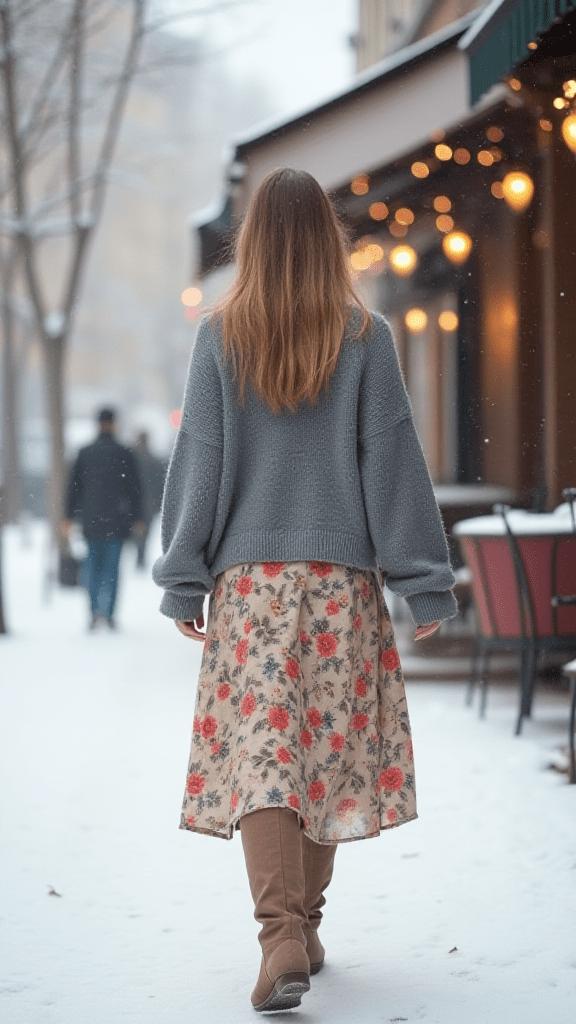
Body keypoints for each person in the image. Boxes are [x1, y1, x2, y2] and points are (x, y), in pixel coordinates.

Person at [152, 168, 457, 1013]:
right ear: (329, 240)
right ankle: (301, 926)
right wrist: (424, 580)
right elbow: (392, 463)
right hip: (339, 591)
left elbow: (200, 461)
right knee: (323, 754)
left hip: (250, 591)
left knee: (266, 759)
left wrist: (185, 574)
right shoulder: (366, 336)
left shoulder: (222, 337)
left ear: (252, 242)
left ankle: (284, 934)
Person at [63, 408, 143, 630]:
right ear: (114, 423)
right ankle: (108, 614)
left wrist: (68, 517)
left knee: (93, 568)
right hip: (117, 521)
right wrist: (137, 517)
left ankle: (94, 612)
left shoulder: (85, 452)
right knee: (112, 570)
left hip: (91, 521)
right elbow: (135, 489)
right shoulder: (124, 453)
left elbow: (73, 488)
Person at [130, 431, 166, 569]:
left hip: (134, 501)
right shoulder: (154, 460)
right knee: (146, 530)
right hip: (150, 502)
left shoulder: (131, 459)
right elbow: (161, 483)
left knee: (134, 527)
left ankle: (137, 551)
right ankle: (141, 555)